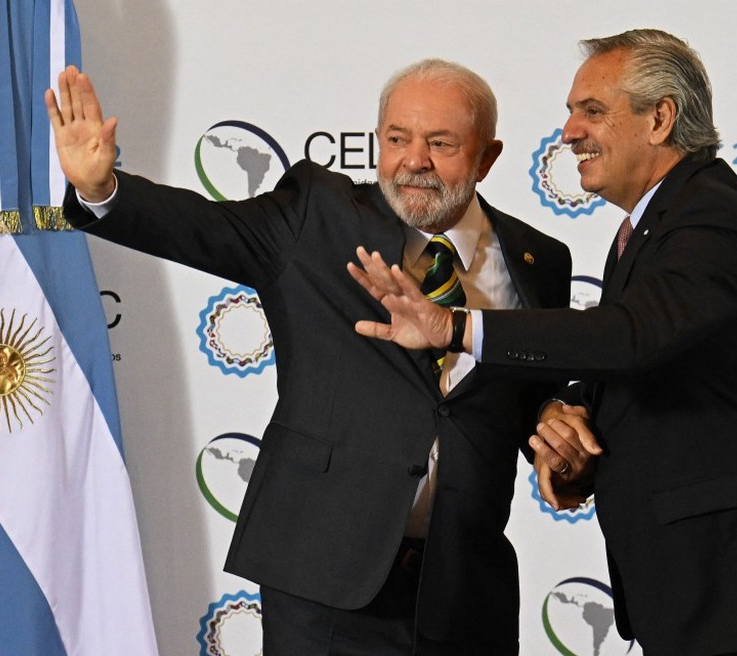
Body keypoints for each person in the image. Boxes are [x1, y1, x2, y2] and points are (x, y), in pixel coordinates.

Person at [45, 59, 574, 655]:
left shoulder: (540, 260)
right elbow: (201, 227)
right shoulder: (317, 214)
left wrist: (560, 434)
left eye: (441, 143)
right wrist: (102, 189)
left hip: (465, 591)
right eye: (397, 139)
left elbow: (535, 396)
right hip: (324, 581)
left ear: (488, 157)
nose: (414, 160)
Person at [348, 29, 737, 656]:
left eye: (592, 111)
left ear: (660, 118)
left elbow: (629, 334)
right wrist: (569, 422)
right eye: (569, 111)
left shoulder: (711, 217)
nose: (568, 132)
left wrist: (454, 326)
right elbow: (649, 354)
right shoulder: (651, 224)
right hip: (698, 582)